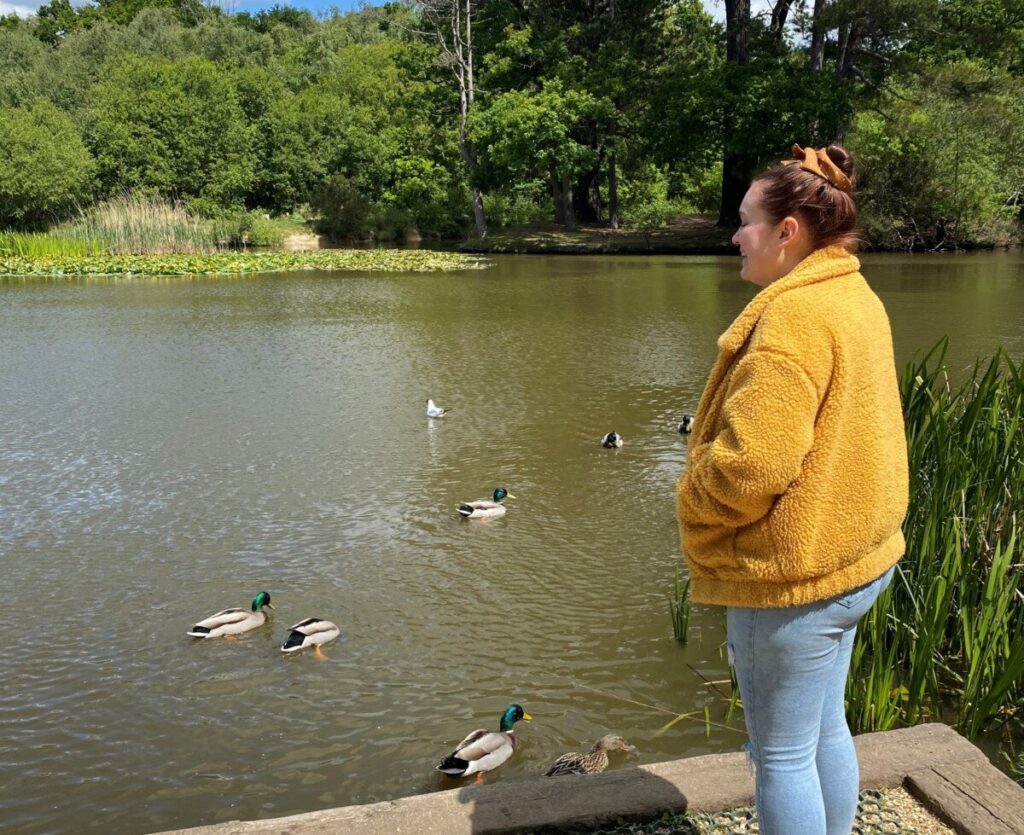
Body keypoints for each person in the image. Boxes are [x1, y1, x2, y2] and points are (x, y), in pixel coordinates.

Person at [676, 144, 909, 835]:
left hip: (791, 581)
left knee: (779, 755)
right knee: (824, 727)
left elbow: (751, 469)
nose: (734, 235)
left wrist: (692, 493)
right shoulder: (852, 293)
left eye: (746, 221)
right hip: (855, 563)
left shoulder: (789, 323)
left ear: (788, 232)